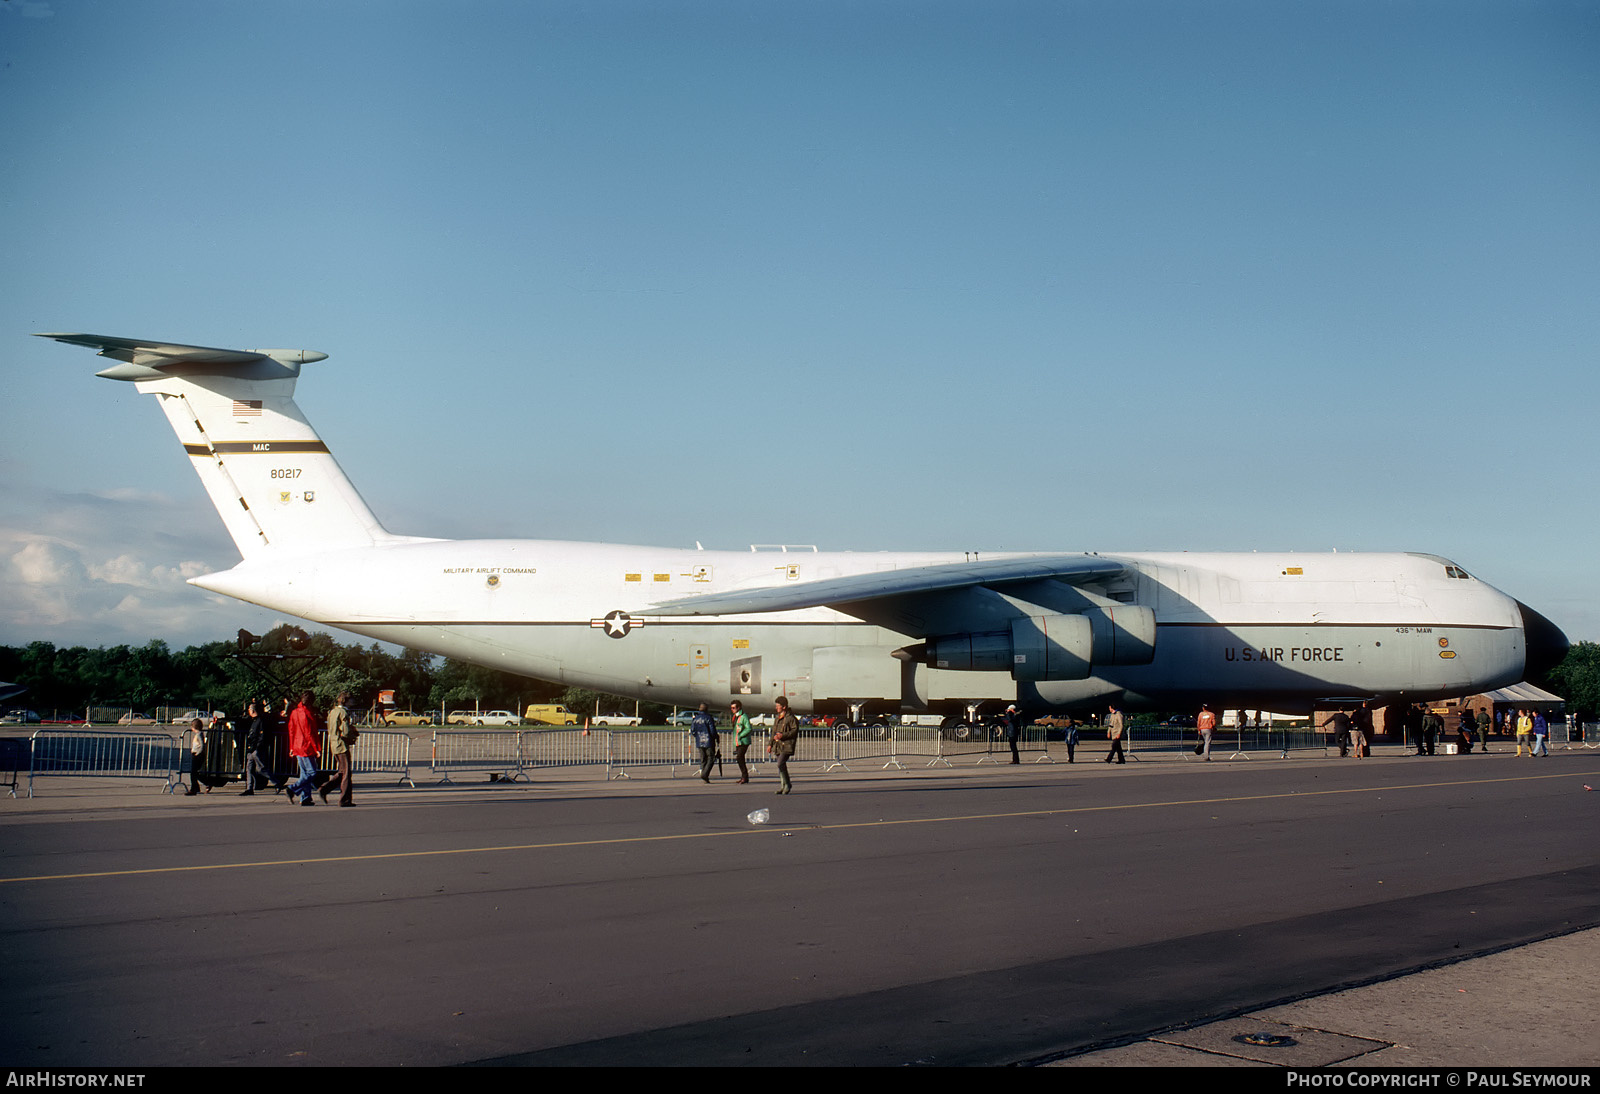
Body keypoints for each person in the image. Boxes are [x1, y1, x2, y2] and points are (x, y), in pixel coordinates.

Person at [321, 690, 359, 805]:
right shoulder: (343, 712)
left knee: (342, 771)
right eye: (351, 700)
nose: (352, 702)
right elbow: (346, 731)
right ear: (346, 701)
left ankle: (324, 789)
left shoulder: (332, 711)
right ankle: (344, 799)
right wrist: (353, 736)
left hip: (334, 744)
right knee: (346, 773)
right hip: (342, 745)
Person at [286, 691, 322, 805]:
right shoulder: (307, 713)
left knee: (304, 773)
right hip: (306, 746)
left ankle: (305, 797)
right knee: (311, 772)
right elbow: (309, 733)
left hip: (297, 745)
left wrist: (291, 747)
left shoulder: (294, 712)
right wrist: (317, 748)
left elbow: (291, 730)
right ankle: (292, 788)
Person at [240, 699, 282, 795]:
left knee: (261, 769)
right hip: (252, 748)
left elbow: (261, 736)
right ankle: (249, 788)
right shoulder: (254, 721)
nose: (248, 711)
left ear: (253, 710)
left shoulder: (260, 721)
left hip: (256, 749)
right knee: (249, 768)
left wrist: (257, 747)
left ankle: (277, 783)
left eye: (249, 709)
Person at [769, 696, 799, 794]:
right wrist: (770, 744)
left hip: (787, 745)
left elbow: (794, 731)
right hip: (778, 745)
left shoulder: (791, 718)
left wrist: (783, 735)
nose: (776, 708)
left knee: (780, 763)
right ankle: (783, 786)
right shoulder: (777, 718)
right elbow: (773, 732)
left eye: (778, 706)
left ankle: (788, 784)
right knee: (780, 766)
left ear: (784, 707)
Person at [690, 702, 718, 782]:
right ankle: (705, 774)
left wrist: (698, 737)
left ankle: (704, 775)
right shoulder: (708, 718)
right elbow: (712, 730)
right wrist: (715, 737)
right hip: (708, 741)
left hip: (699, 741)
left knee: (703, 758)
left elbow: (693, 730)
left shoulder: (695, 718)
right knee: (711, 758)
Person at [728, 699, 753, 784]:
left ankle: (745, 777)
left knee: (739, 757)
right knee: (740, 759)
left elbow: (748, 728)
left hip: (743, 741)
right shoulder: (735, 716)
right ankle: (744, 777)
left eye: (734, 708)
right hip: (737, 741)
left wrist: (741, 735)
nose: (732, 709)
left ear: (739, 708)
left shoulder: (743, 716)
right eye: (731, 708)